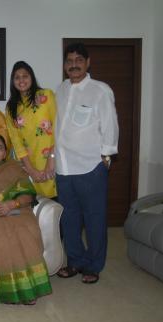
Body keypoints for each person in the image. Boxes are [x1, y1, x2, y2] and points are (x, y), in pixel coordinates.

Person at [55, 43, 119, 284]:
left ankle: (94, 265)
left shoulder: (100, 90)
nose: (74, 64)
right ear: (64, 65)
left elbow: (110, 124)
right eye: (69, 60)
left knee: (94, 218)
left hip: (91, 166)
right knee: (69, 218)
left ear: (88, 62)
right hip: (63, 167)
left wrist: (107, 155)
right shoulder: (59, 90)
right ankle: (75, 261)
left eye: (78, 59)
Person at [0, 135, 52, 305]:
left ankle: (26, 288)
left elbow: (28, 193)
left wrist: (12, 204)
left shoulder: (15, 168)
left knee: (24, 229)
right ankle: (1, 290)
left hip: (15, 208)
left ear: (5, 152)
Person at [5, 61, 57, 198]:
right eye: (17, 77)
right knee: (38, 211)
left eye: (25, 76)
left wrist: (51, 160)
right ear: (13, 81)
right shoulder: (11, 107)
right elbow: (16, 141)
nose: (21, 80)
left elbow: (59, 128)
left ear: (31, 77)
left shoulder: (46, 96)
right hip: (31, 165)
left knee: (60, 209)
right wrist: (31, 169)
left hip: (54, 161)